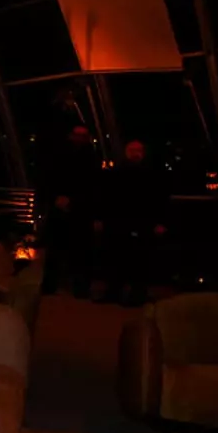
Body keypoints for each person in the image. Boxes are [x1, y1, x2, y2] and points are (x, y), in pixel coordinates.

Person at [101, 139, 167, 306]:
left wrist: (160, 222)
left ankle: (135, 296)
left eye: (137, 150)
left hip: (142, 222)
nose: (135, 153)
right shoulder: (118, 172)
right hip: (121, 221)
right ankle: (115, 293)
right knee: (118, 259)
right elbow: (109, 198)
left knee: (139, 261)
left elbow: (161, 199)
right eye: (132, 150)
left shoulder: (152, 173)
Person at [39, 124, 100, 297]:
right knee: (56, 250)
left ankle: (78, 287)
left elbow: (93, 186)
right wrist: (56, 198)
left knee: (80, 252)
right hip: (66, 208)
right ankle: (53, 284)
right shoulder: (60, 156)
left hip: (80, 210)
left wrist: (68, 200)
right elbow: (48, 180)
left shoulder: (91, 158)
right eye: (77, 135)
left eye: (82, 135)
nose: (79, 139)